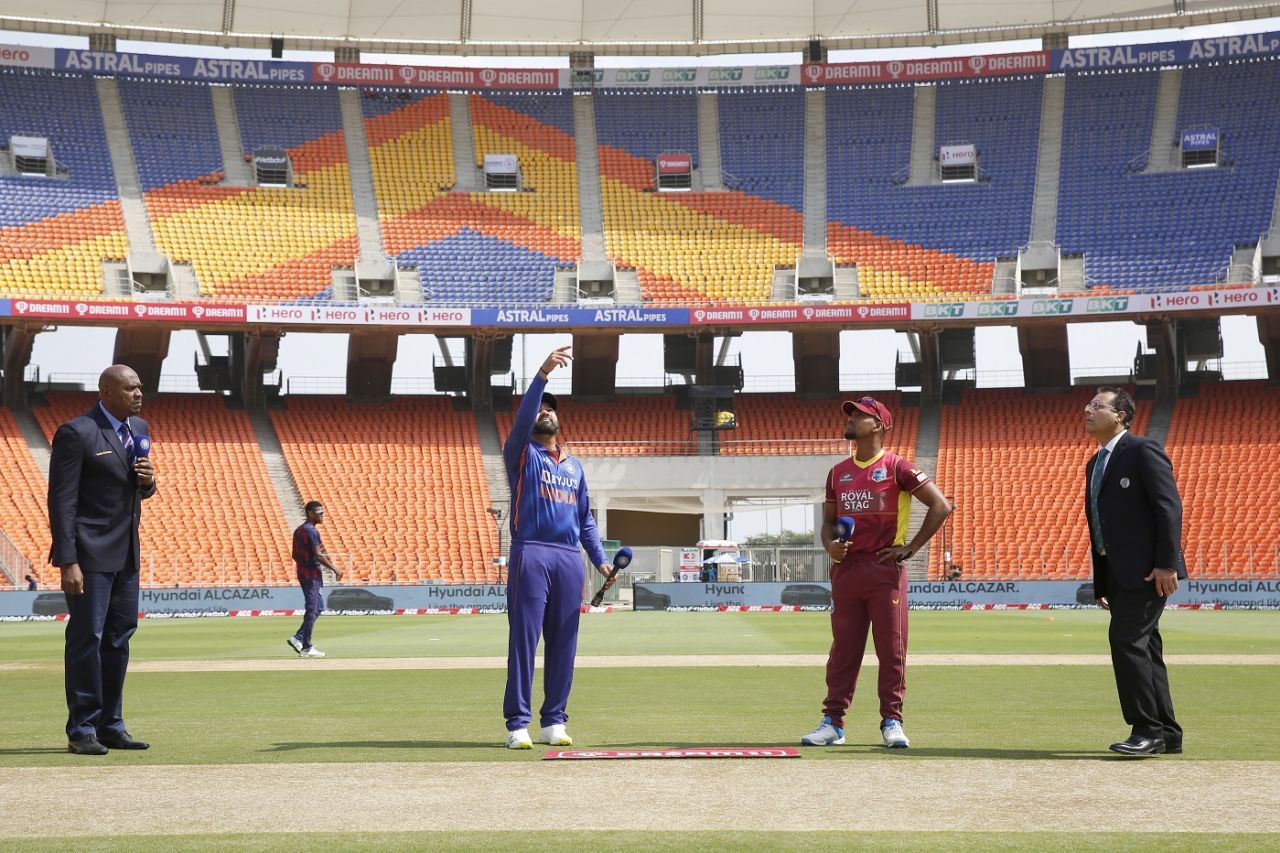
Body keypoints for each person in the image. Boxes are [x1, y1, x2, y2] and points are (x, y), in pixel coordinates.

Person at [801, 396, 951, 750]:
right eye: (850, 414)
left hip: (884, 569)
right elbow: (828, 523)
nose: (851, 418)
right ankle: (833, 723)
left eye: (860, 415)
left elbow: (941, 506)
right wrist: (829, 546)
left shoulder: (899, 467)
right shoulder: (838, 472)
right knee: (843, 651)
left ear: (879, 426)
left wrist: (910, 549)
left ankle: (892, 721)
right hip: (846, 570)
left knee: (891, 649)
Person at [501, 346, 616, 749]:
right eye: (540, 408)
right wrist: (543, 374)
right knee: (525, 640)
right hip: (531, 551)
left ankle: (554, 721)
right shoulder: (520, 452)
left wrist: (599, 561)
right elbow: (523, 418)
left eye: (551, 408)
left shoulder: (574, 465)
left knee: (565, 641)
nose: (545, 411)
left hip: (569, 558)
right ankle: (518, 724)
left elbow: (585, 518)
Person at [48, 364, 157, 755]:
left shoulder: (139, 431)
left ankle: (111, 724)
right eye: (130, 388)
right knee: (86, 640)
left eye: (140, 387)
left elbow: (135, 491)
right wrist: (68, 561)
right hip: (88, 556)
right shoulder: (77, 432)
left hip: (126, 553)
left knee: (118, 639)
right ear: (107, 392)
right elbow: (61, 501)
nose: (139, 393)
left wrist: (147, 482)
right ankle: (81, 730)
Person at [1083, 385, 1186, 756]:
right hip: (1119, 573)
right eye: (1089, 404)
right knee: (1145, 647)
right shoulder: (1095, 462)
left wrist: (1166, 563)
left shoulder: (1142, 450)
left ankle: (1146, 730)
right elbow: (1099, 522)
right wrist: (1102, 581)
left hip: (1148, 571)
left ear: (1120, 416)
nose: (1088, 410)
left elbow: (1168, 508)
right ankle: (1167, 733)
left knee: (1126, 642)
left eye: (1098, 406)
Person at [287, 501, 342, 658]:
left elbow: (294, 555)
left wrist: (303, 566)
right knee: (312, 609)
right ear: (311, 513)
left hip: (304, 573)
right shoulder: (311, 531)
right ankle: (306, 647)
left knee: (318, 608)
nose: (322, 515)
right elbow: (318, 555)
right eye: (320, 512)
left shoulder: (299, 531)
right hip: (312, 575)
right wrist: (335, 568)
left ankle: (298, 637)